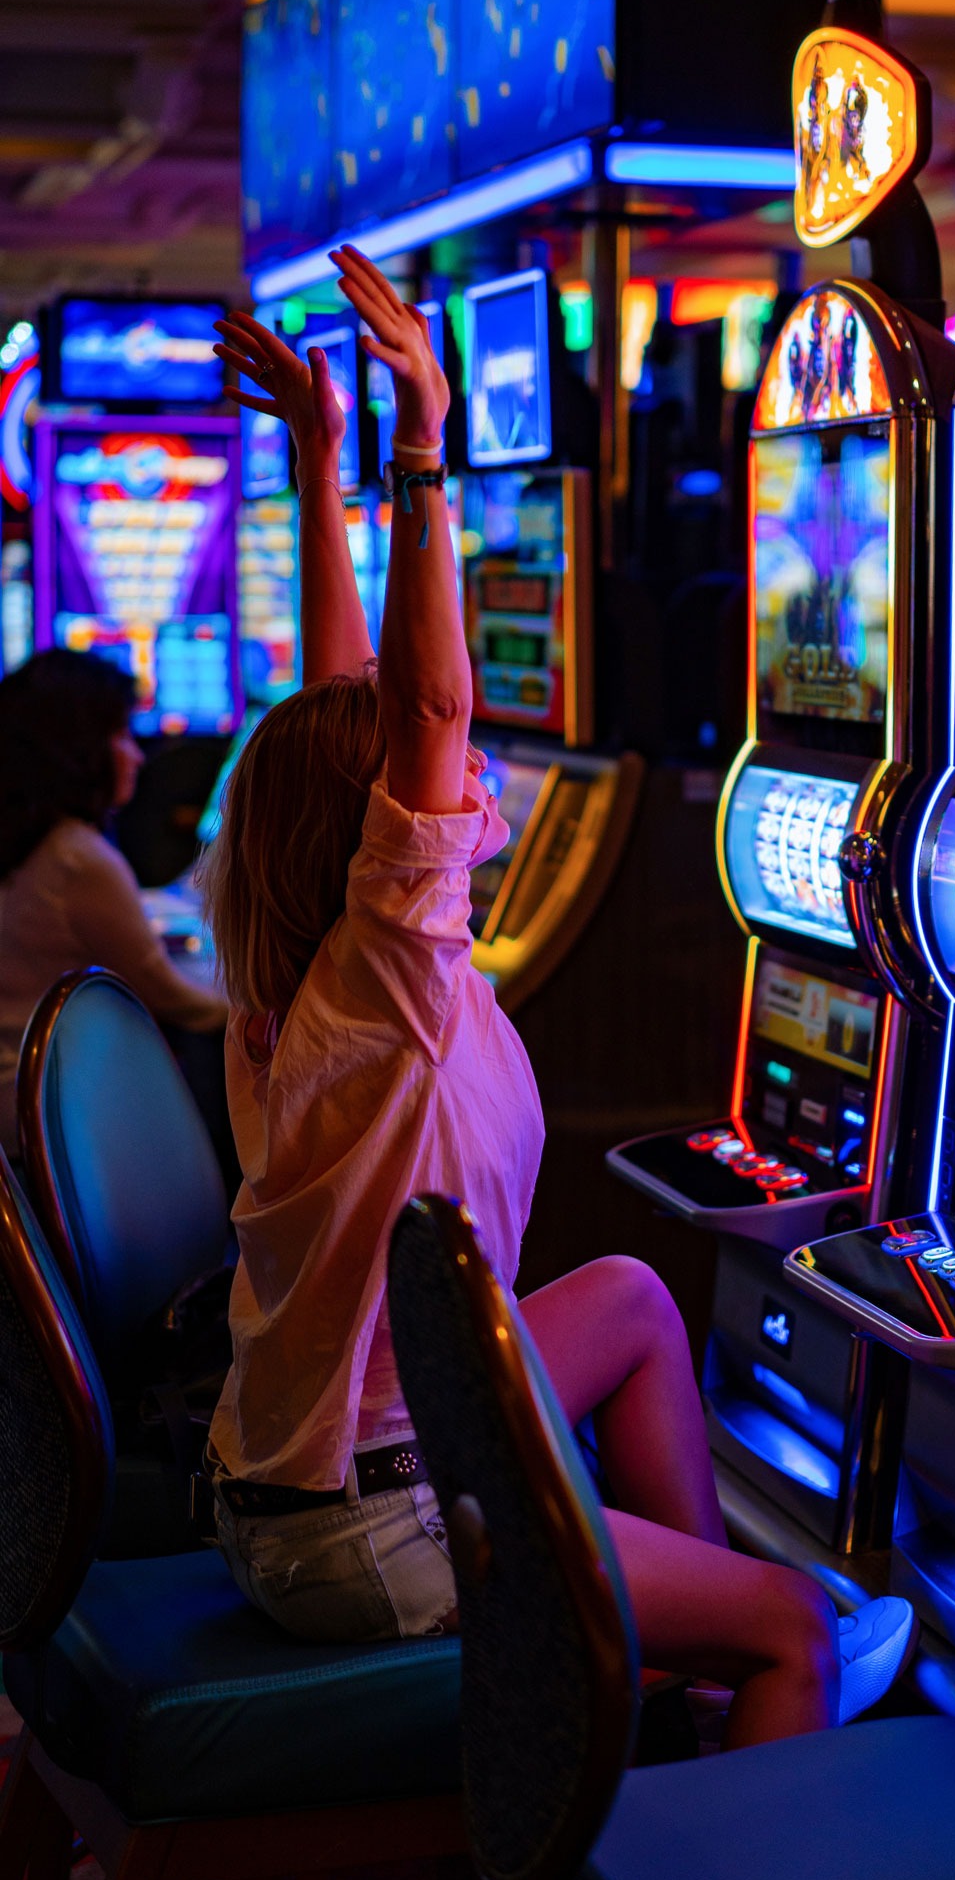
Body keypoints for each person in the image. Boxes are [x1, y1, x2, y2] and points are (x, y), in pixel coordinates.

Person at [202, 248, 914, 1750]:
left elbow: (352, 702)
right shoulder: (387, 983)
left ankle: (680, 1633)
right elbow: (419, 705)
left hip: (292, 1493)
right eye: (445, 777)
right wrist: (415, 448)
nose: (476, 772)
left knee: (636, 1300)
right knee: (793, 1630)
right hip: (372, 1534)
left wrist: (316, 459)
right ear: (384, 835)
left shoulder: (302, 993)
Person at [0, 648, 229, 1156]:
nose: (138, 755)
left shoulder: (35, 842)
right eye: (123, 735)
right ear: (78, 748)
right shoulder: (75, 859)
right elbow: (172, 998)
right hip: (42, 1120)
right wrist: (260, 1006)